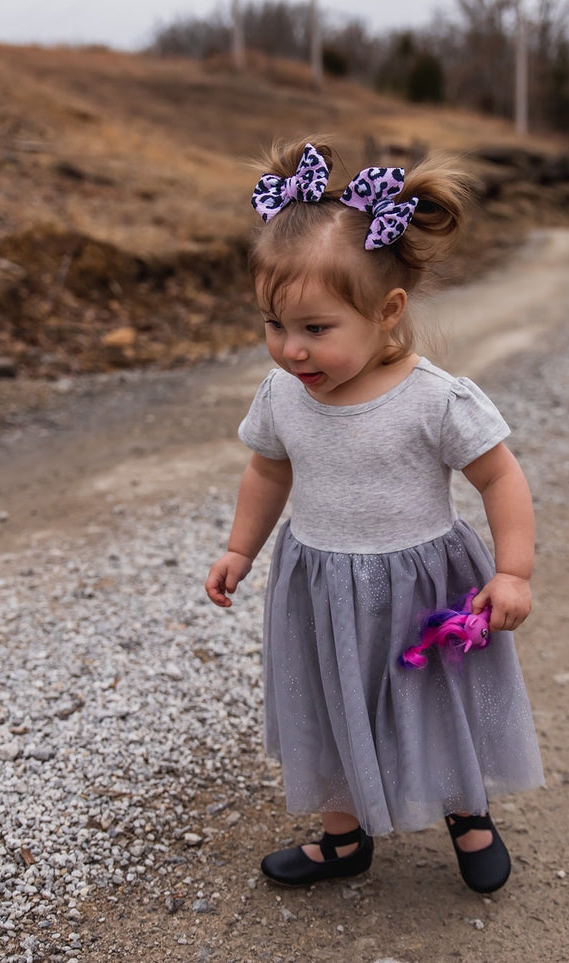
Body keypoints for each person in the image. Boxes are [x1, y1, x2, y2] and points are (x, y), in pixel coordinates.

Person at [204, 138, 544, 894]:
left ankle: (468, 813)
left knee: (434, 699)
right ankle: (341, 835)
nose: (291, 349)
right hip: (319, 582)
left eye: (315, 329)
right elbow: (267, 467)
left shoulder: (432, 398)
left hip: (421, 583)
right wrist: (239, 548)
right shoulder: (283, 393)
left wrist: (512, 569)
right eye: (274, 323)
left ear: (386, 311)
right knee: (325, 702)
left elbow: (500, 476)